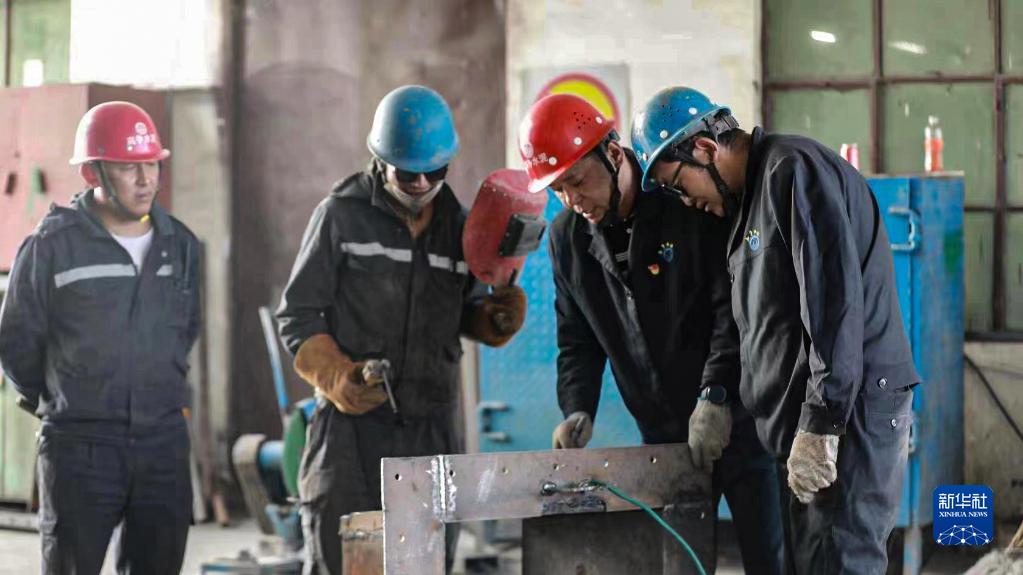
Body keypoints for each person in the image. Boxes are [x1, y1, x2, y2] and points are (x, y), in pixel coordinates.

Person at [632, 85, 919, 574]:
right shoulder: (748, 203)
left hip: (847, 420)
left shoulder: (792, 171)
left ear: (704, 148)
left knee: (840, 562)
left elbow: (832, 305)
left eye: (677, 184)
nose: (685, 201)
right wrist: (721, 394)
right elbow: (756, 323)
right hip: (801, 429)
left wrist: (822, 423)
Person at [519, 93, 784, 574]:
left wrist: (716, 394)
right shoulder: (568, 239)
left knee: (771, 559)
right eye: (557, 190)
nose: (571, 199)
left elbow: (731, 310)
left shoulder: (685, 200)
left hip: (742, 421)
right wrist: (577, 406)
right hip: (663, 436)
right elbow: (576, 337)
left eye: (576, 181)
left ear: (613, 154)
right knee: (677, 564)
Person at [276, 85, 526, 575]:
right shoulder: (340, 217)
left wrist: (495, 318)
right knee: (345, 561)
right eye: (407, 172)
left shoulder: (461, 229)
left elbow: (467, 313)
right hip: (350, 433)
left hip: (432, 430)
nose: (420, 183)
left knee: (425, 563)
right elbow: (298, 314)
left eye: (434, 171)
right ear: (380, 158)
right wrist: (336, 377)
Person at [0, 101, 200, 574]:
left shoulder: (180, 245)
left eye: (151, 164)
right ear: (93, 173)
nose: (145, 179)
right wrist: (65, 399)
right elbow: (16, 344)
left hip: (162, 444)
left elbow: (186, 330)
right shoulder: (51, 247)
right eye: (129, 167)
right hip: (80, 447)